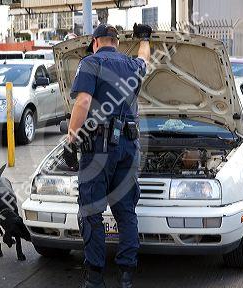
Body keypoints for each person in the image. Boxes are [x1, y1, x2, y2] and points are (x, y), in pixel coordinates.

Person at [66, 23, 152, 287]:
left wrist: (71, 138)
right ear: (115, 42)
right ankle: (126, 276)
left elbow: (82, 102)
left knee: (92, 212)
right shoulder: (131, 66)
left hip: (99, 150)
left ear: (95, 42)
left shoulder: (90, 62)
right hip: (128, 146)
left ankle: (95, 278)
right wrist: (144, 38)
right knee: (126, 212)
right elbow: (144, 58)